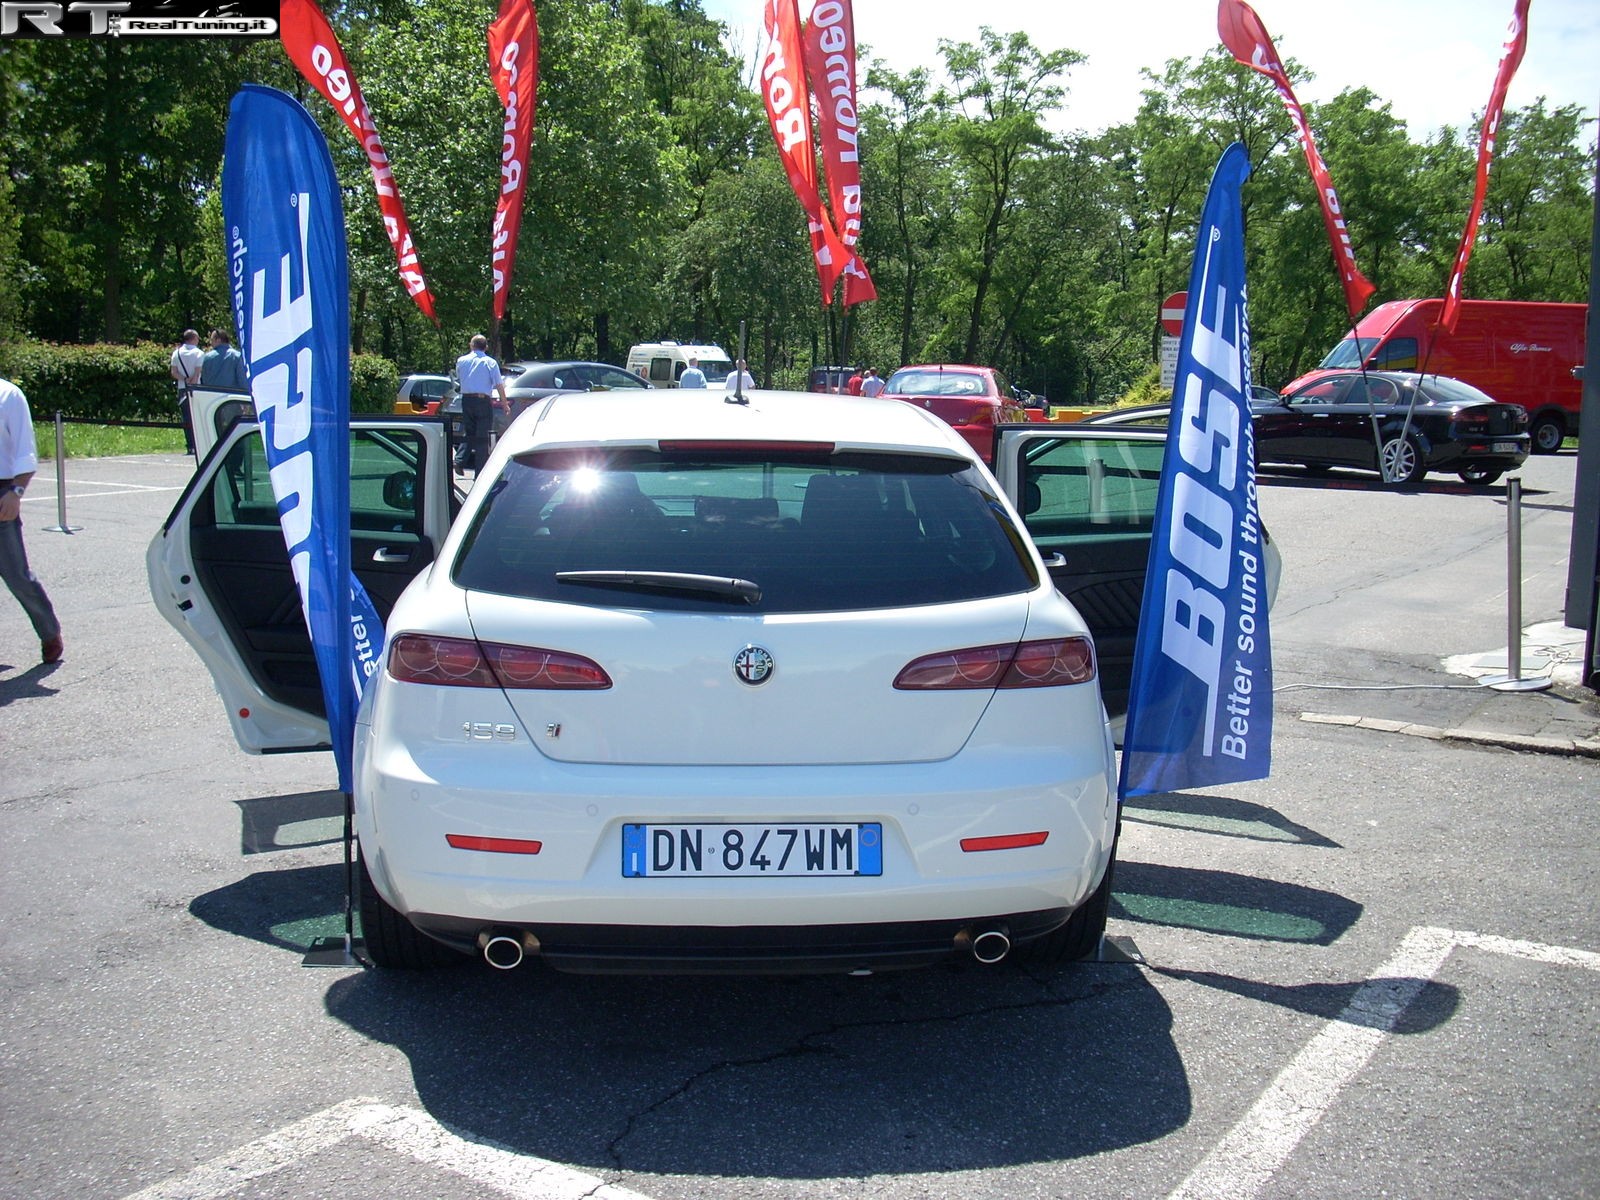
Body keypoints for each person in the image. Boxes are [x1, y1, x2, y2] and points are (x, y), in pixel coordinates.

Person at [1, 376, 63, 665]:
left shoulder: (9, 395)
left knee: (16, 574)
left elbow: (25, 451)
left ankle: (49, 632)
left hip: (3, 491)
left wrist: (16, 492)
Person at [454, 335, 509, 474]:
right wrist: (504, 403)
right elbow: (499, 384)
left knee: (469, 432)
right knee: (482, 437)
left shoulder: (461, 361)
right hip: (483, 400)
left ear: (471, 345)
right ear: (486, 347)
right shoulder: (490, 362)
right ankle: (479, 473)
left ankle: (459, 460)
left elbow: (459, 378)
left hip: (466, 400)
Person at [169, 329, 203, 455]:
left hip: (182, 388)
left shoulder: (176, 353)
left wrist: (184, 379)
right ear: (193, 339)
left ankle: (190, 445)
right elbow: (198, 372)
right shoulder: (199, 353)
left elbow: (174, 372)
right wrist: (193, 381)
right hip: (197, 388)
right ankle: (198, 444)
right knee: (197, 417)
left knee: (186, 418)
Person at [199, 329, 250, 393]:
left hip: (212, 398)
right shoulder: (237, 356)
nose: (210, 343)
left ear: (218, 340)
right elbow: (242, 381)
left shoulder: (207, 357)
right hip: (232, 398)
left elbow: (204, 381)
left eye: (212, 340)